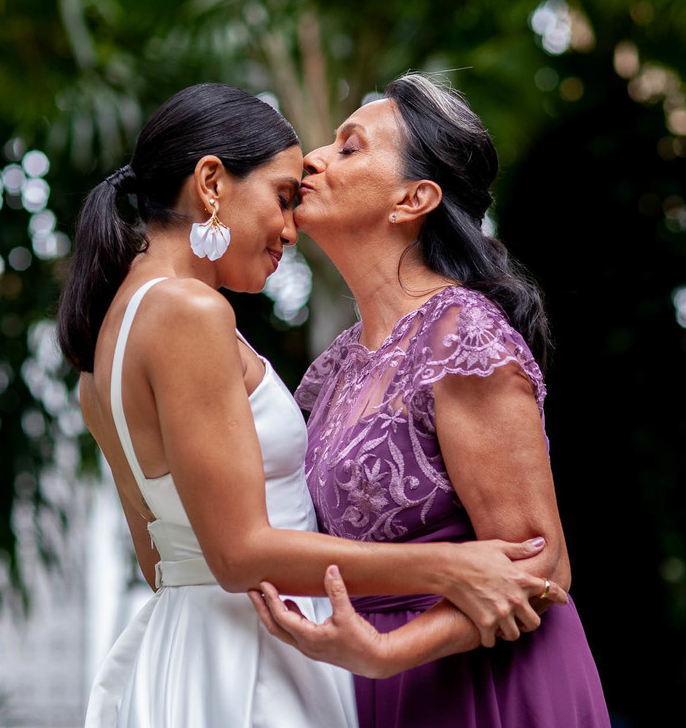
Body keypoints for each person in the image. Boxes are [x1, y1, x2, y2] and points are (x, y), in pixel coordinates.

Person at [57, 83, 567, 728]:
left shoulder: (104, 349)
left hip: (197, 648)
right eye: (280, 196)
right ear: (210, 184)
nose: (290, 228)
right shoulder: (194, 313)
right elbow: (239, 552)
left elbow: (159, 558)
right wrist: (447, 565)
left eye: (347, 148)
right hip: (254, 658)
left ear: (416, 199)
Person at [249, 74, 610, 727]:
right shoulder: (337, 365)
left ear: (413, 198)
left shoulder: (460, 333)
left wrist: (391, 649)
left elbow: (542, 561)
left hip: (488, 686)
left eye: (349, 147)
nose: (314, 160)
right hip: (380, 687)